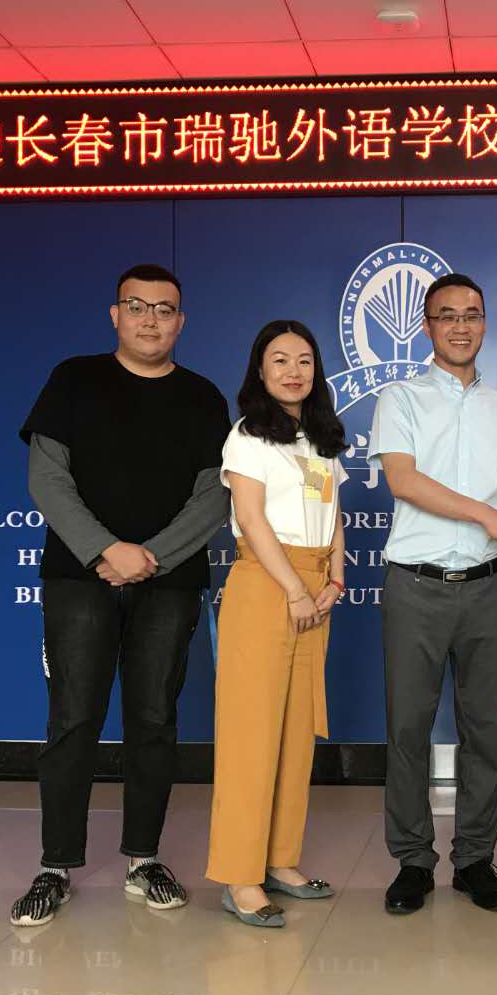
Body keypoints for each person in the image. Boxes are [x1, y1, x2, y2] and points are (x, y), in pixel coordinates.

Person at [11, 263, 231, 927]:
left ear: (180, 321)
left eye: (164, 309)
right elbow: (47, 479)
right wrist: (107, 550)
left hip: (170, 582)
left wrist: (150, 556)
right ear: (116, 315)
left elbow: (215, 495)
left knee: (154, 720)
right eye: (137, 306)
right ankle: (55, 866)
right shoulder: (73, 379)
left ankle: (144, 859)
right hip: (81, 577)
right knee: (73, 718)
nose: (150, 319)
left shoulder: (202, 397)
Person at [369, 272, 497, 915]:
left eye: (472, 314)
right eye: (447, 315)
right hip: (417, 585)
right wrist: (484, 515)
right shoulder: (401, 398)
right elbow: (404, 481)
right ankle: (413, 860)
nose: (461, 326)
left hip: (491, 588)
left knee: (485, 730)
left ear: (484, 323)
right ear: (427, 326)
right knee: (408, 728)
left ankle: (474, 860)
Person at [206, 320, 349, 928]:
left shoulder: (320, 438)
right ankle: (239, 876)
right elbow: (251, 518)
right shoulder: (248, 436)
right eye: (281, 360)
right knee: (252, 734)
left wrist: (335, 577)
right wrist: (294, 588)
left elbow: (333, 513)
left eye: (305, 360)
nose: (294, 371)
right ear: (260, 371)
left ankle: (280, 859)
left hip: (315, 587)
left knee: (296, 731)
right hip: (268, 584)